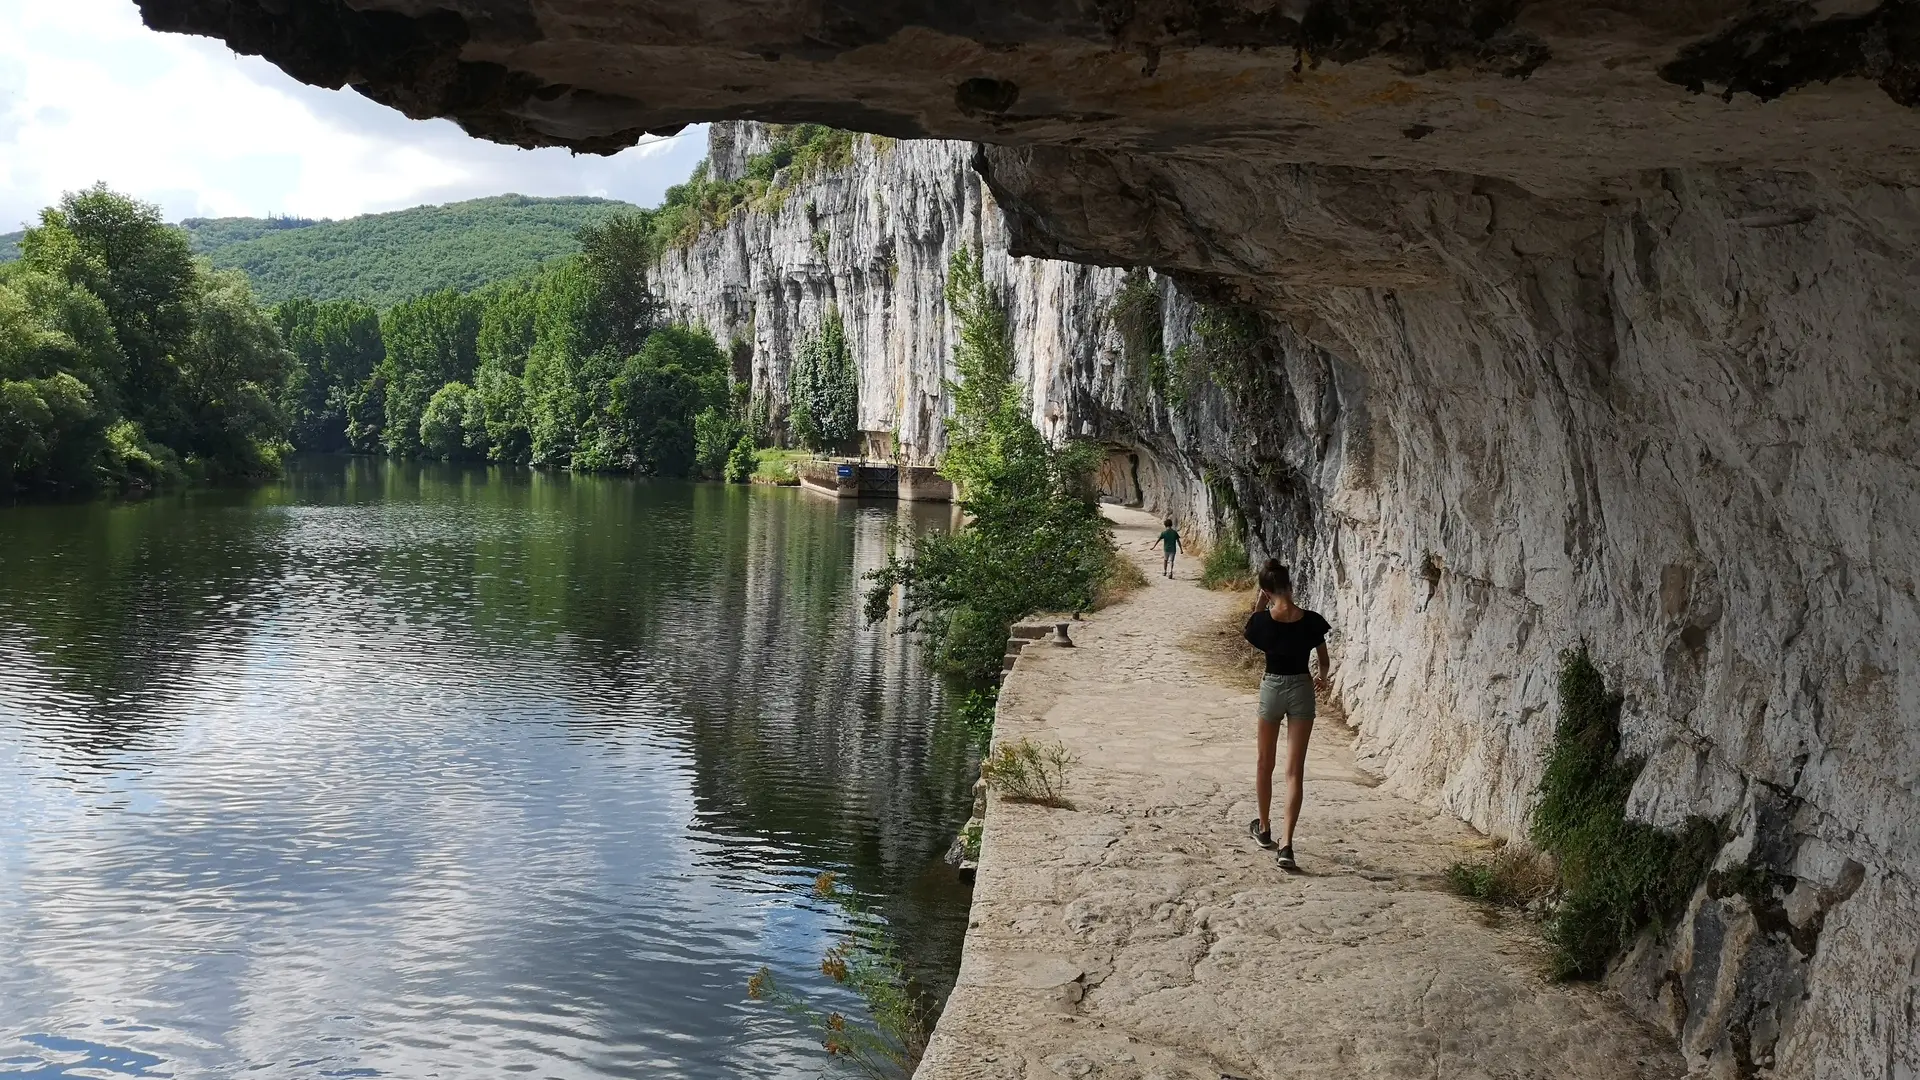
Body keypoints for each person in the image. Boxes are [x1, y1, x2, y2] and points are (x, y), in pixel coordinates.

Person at [1241, 558, 1330, 870]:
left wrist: (1260, 602)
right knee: (1295, 772)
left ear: (1266, 591)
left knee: (1265, 763)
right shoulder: (1312, 621)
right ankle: (1287, 845)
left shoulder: (1263, 621)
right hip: (1303, 688)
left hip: (1273, 689)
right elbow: (1323, 659)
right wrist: (1323, 677)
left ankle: (1264, 829)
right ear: (1291, 586)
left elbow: (1252, 628)